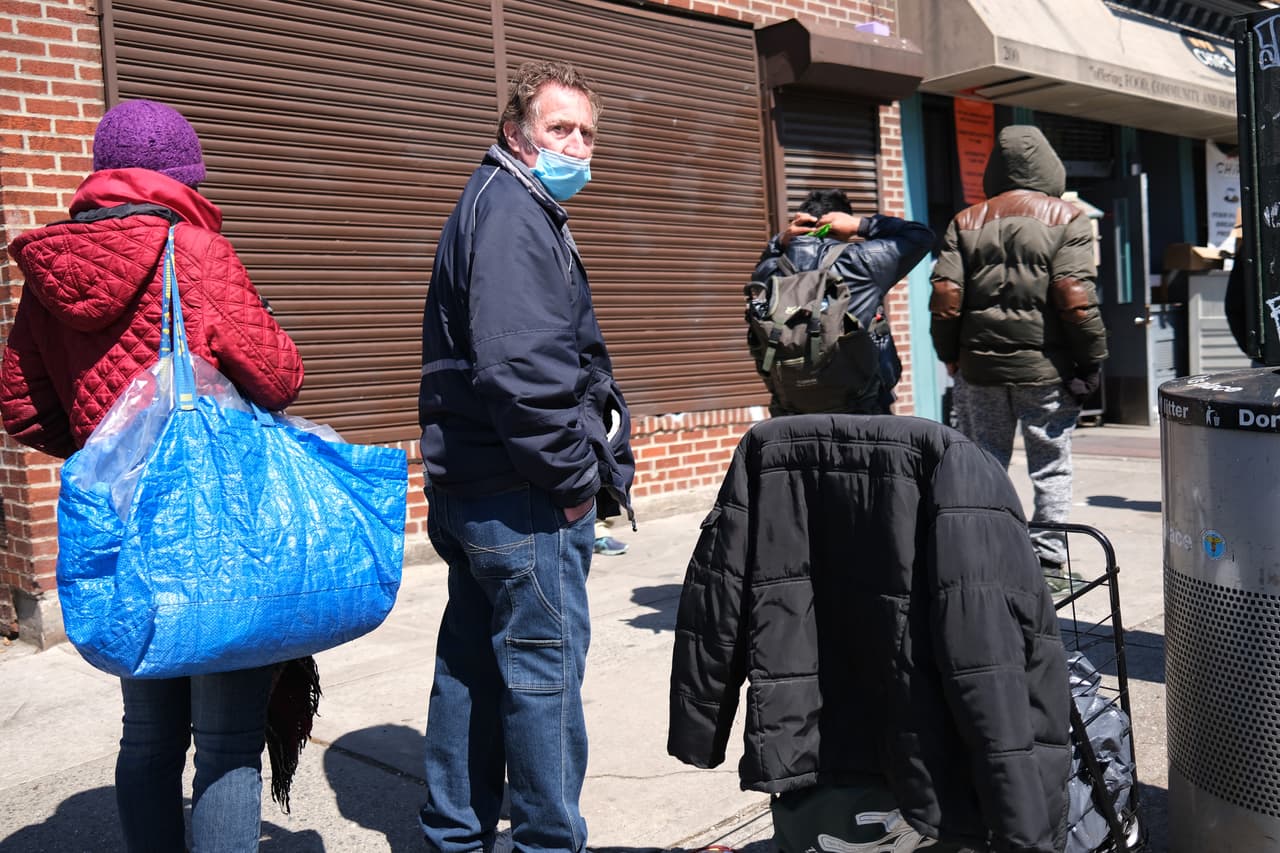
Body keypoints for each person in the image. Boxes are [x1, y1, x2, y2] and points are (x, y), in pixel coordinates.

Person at [0, 100, 311, 851]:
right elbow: (280, 375)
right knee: (228, 741)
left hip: (119, 526)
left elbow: (19, 404)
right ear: (183, 175)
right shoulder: (193, 253)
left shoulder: (50, 267)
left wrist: (103, 444)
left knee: (147, 735)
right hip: (212, 527)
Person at [668, 415, 1071, 852]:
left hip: (804, 731)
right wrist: (1023, 826)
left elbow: (715, 598)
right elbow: (983, 651)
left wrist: (700, 730)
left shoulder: (764, 450)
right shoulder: (956, 465)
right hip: (919, 736)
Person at [416, 59, 636, 853]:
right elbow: (520, 369)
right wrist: (576, 483)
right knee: (542, 675)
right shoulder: (511, 210)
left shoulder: (510, 201)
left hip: (481, 486)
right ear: (518, 132)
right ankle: (547, 841)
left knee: (472, 666)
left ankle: (454, 834)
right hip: (520, 493)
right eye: (559, 128)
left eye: (586, 132)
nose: (577, 145)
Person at [929, 125, 1108, 597]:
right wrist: (1091, 361)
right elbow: (1076, 299)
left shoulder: (965, 220)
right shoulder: (1068, 218)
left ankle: (986, 555)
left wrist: (949, 354)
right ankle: (1048, 563)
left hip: (980, 370)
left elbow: (946, 296)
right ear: (1049, 166)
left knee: (983, 463)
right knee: (1051, 466)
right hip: (1046, 371)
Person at [749, 189, 934, 414]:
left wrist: (779, 241)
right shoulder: (859, 261)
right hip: (861, 408)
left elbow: (761, 273)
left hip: (792, 412)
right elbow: (921, 236)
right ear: (839, 224)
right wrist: (861, 225)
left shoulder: (769, 271)